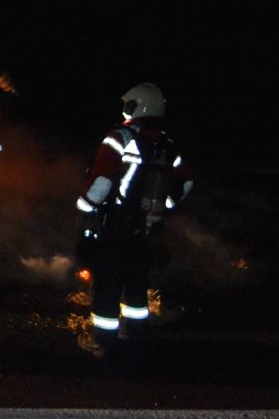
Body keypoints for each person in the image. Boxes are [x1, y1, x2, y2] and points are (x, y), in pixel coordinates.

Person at [74, 81, 194, 358]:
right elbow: (186, 182)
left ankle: (103, 342)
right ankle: (137, 336)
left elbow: (102, 181)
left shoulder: (119, 137)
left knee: (107, 284)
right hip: (147, 228)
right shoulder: (166, 144)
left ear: (135, 106)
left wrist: (83, 208)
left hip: (116, 225)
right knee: (137, 282)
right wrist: (163, 206)